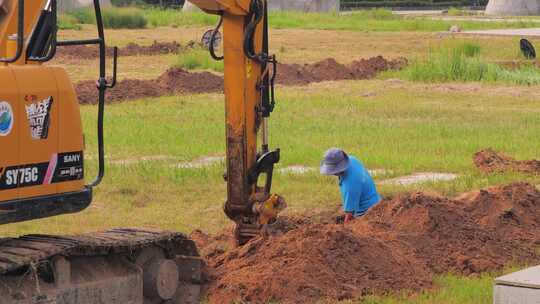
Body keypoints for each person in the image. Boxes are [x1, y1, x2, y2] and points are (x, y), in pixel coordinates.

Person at [320, 148, 382, 223]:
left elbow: (350, 215)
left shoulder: (350, 185)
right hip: (376, 200)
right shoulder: (352, 160)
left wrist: (344, 229)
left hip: (367, 213)